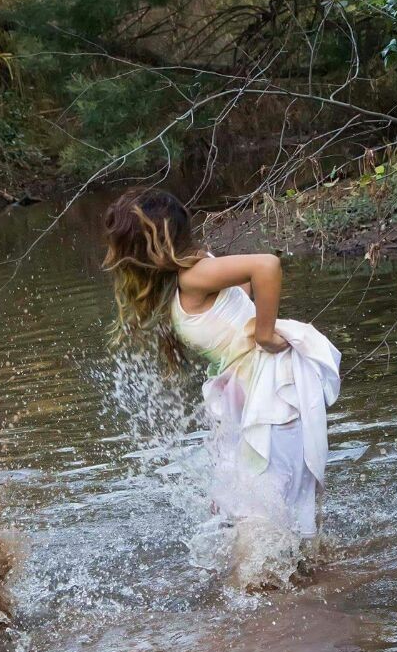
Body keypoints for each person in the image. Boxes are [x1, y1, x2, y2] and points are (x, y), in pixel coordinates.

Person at [102, 187, 341, 569]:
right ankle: (310, 577)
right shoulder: (192, 275)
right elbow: (240, 294)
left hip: (270, 387)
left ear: (145, 247)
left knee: (261, 515)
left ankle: (277, 590)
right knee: (266, 509)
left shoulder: (195, 276)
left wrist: (263, 333)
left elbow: (267, 265)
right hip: (252, 391)